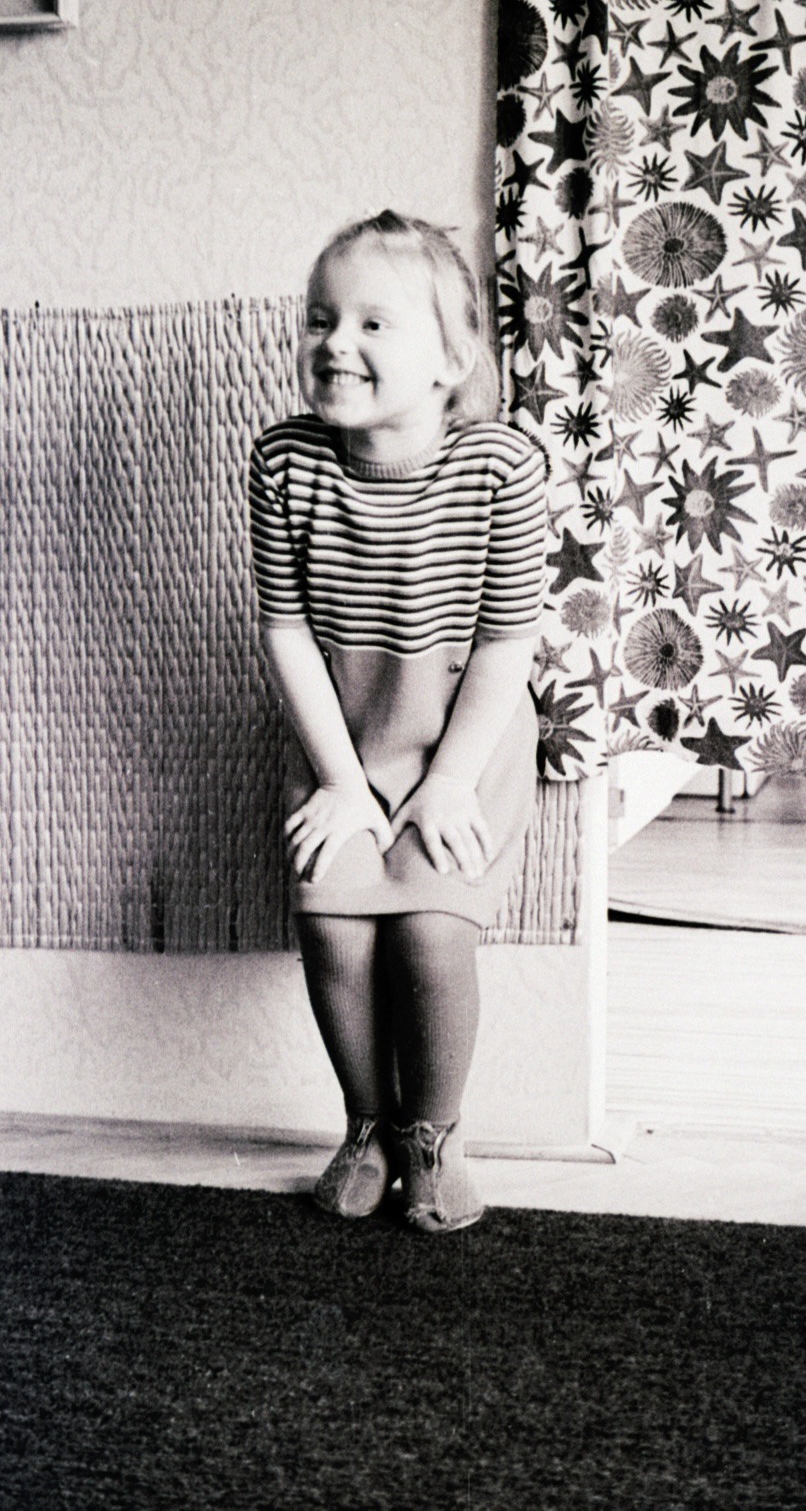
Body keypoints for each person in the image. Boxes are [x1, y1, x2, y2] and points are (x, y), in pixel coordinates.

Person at [248, 211, 547, 1233]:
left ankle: (435, 1134)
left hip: (462, 739)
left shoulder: (501, 466)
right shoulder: (284, 462)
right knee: (331, 922)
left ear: (451, 359)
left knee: (428, 933)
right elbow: (286, 631)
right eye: (320, 318)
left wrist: (451, 779)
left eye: (373, 323)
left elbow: (506, 644)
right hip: (346, 738)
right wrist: (339, 780)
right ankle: (368, 1124)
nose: (336, 341)